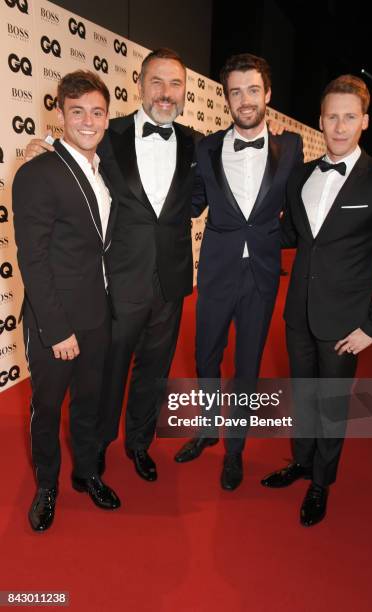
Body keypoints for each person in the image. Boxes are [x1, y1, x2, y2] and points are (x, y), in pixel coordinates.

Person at [26, 48, 202, 483]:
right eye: (156, 82)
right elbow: (72, 148)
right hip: (119, 282)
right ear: (139, 84)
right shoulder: (110, 131)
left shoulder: (196, 142)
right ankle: (96, 448)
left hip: (172, 282)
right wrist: (43, 144)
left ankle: (139, 443)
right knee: (105, 377)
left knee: (154, 374)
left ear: (185, 91)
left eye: (175, 84)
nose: (165, 93)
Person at [261, 75, 372, 526]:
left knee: (332, 403)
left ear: (364, 121)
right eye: (331, 117)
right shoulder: (302, 175)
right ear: (320, 121)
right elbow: (293, 234)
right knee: (304, 395)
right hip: (298, 310)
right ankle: (302, 461)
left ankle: (322, 481)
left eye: (349, 117)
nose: (339, 127)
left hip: (346, 320)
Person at [174, 54, 303, 490]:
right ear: (225, 98)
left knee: (247, 364)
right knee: (206, 356)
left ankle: (235, 449)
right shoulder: (206, 147)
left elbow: (300, 209)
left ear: (267, 94)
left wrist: (273, 237)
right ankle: (208, 428)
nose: (244, 100)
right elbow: (189, 203)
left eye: (252, 90)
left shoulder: (292, 148)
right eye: (235, 91)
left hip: (262, 276)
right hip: (215, 271)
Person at [12, 70, 121, 532]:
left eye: (97, 112)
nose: (89, 121)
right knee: (47, 407)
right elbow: (32, 260)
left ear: (107, 117)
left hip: (98, 314)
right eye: (77, 111)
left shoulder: (103, 169)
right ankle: (47, 485)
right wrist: (57, 331)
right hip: (54, 321)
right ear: (59, 114)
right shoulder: (37, 172)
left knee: (89, 403)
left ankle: (86, 473)